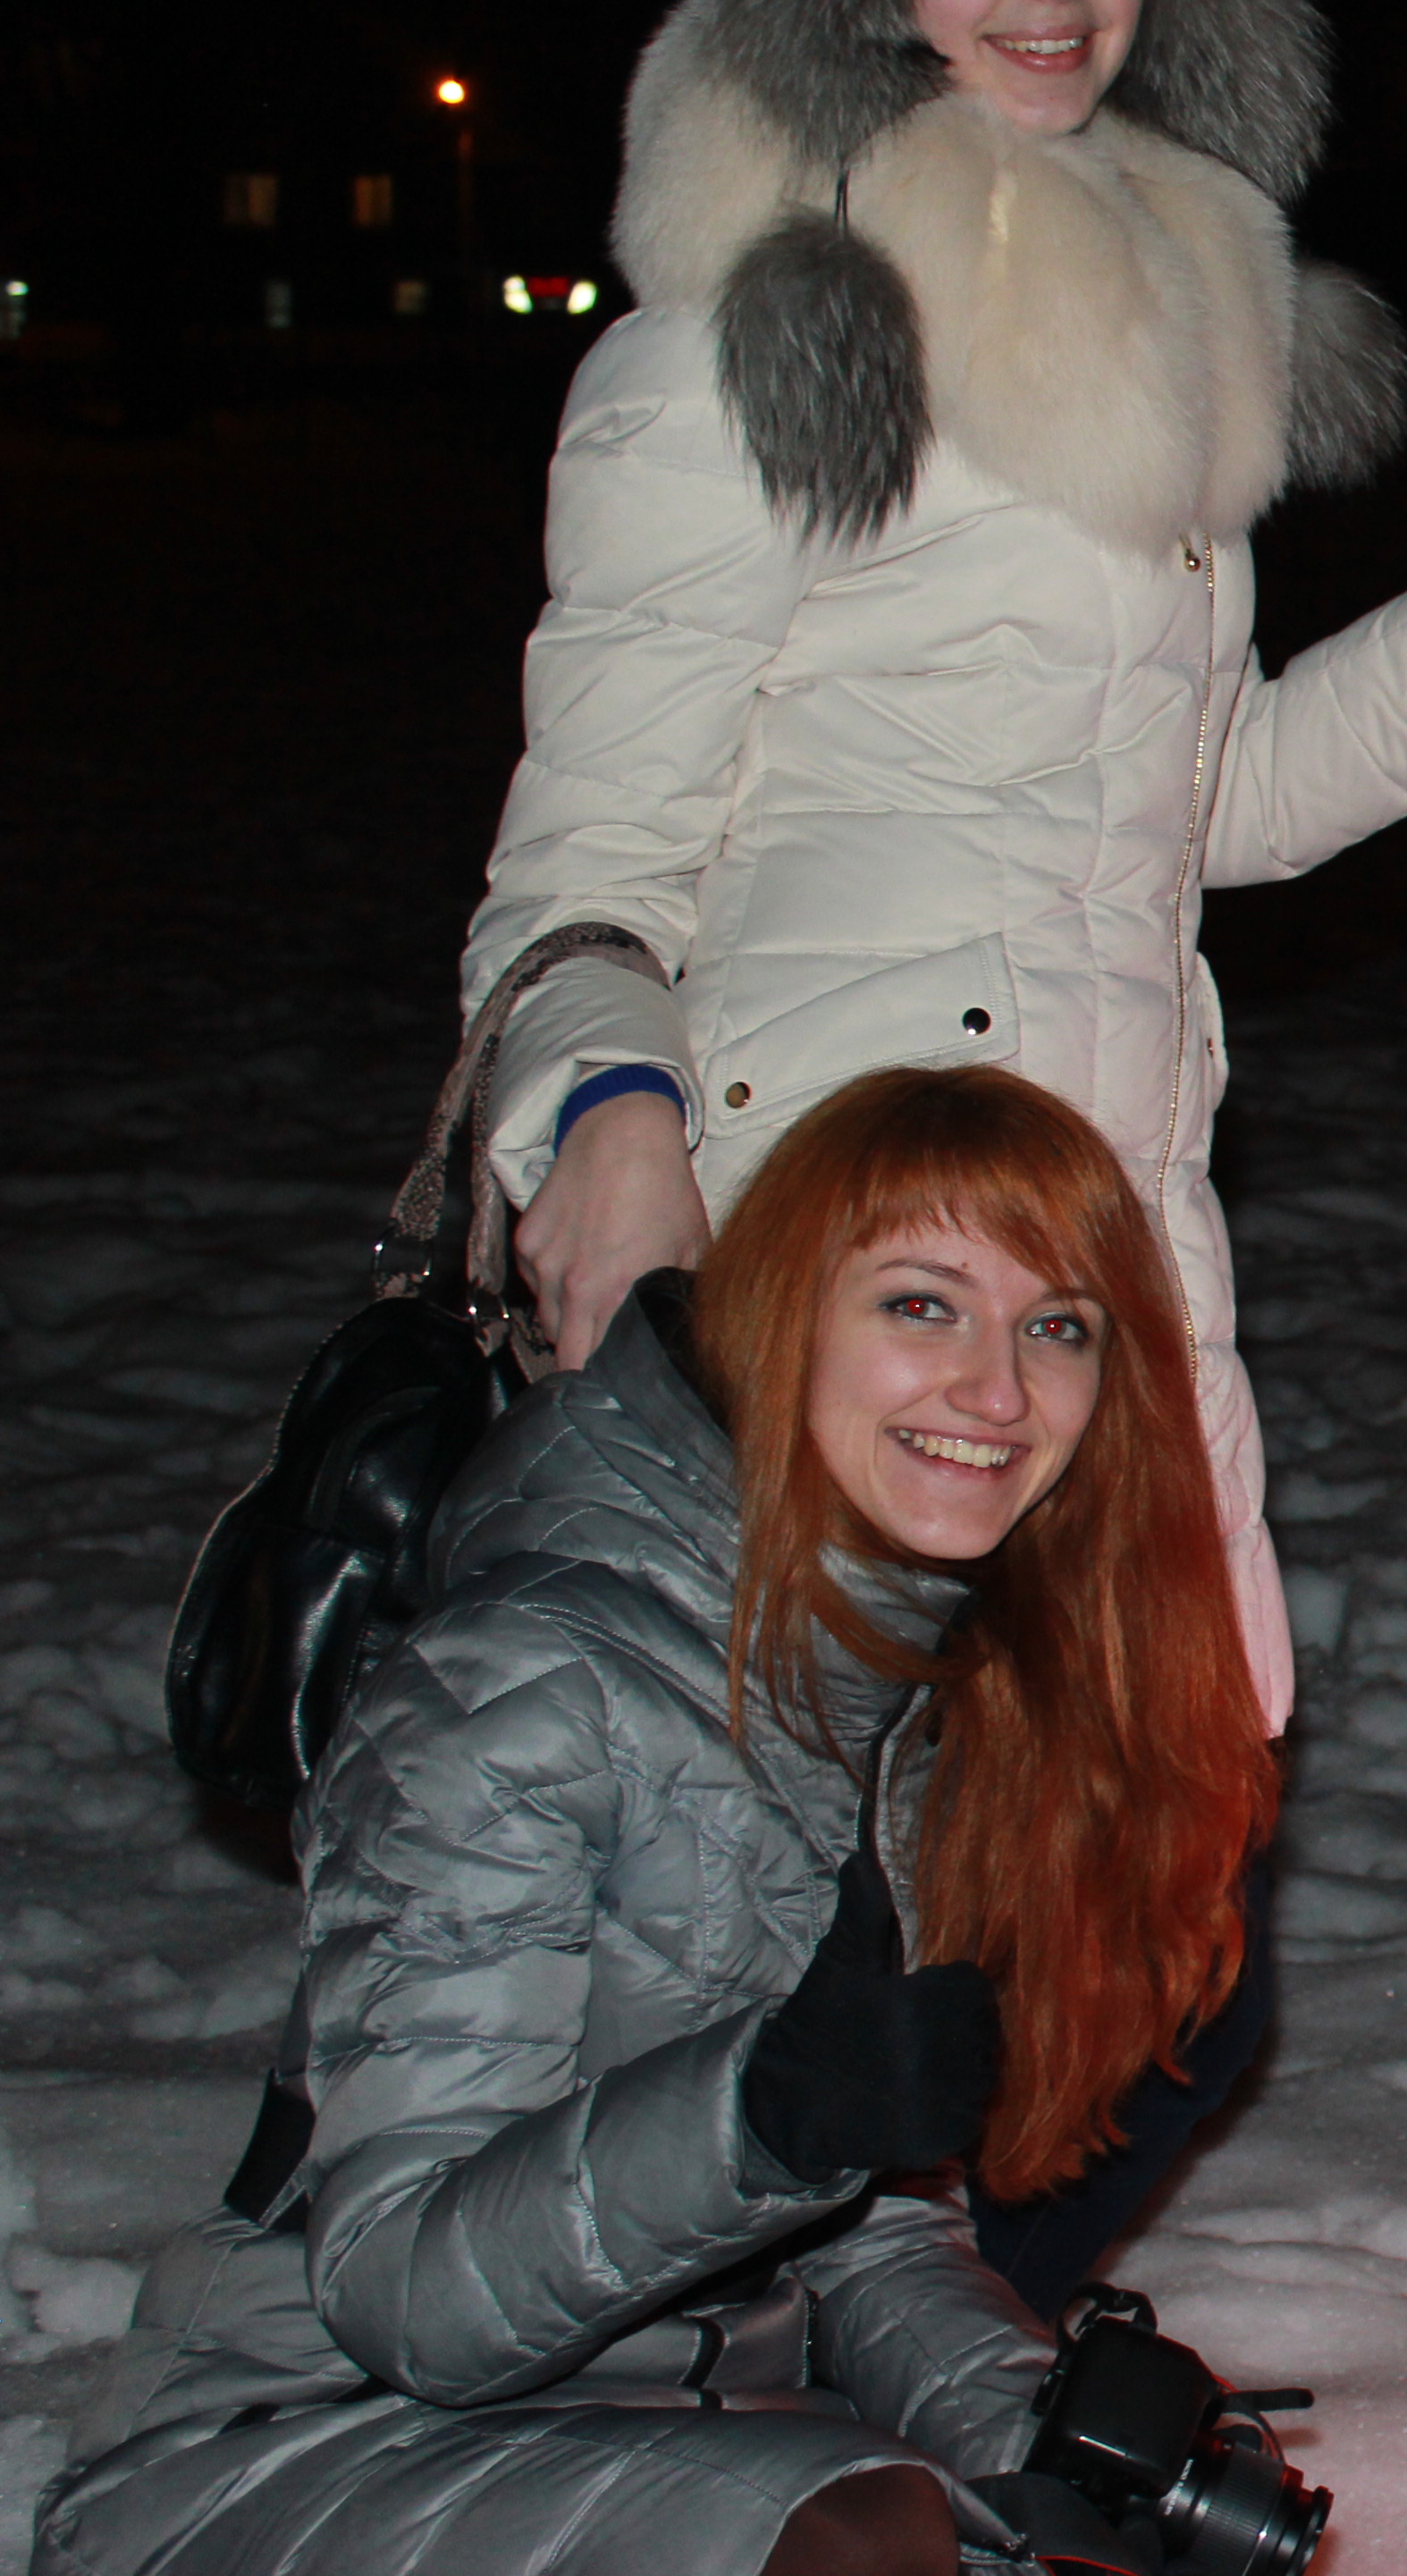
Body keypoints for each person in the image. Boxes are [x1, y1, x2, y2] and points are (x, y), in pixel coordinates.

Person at [457, 0, 1407, 2301]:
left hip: (1110, 1243)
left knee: (1161, 1958)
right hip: (831, 1263)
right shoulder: (770, 337)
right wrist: (603, 1131)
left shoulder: (1165, 340)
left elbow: (1203, 807)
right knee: (846, 1965)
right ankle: (794, 2398)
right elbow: (583, 857)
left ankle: (905, 2374)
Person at [45, 1068, 1276, 2576]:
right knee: (858, 2534)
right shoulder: (523, 1687)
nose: (999, 1392)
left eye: (1058, 1327)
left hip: (692, 2445)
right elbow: (404, 2292)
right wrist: (758, 2120)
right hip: (306, 2448)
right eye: (923, 1305)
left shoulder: (921, 1700)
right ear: (781, 1318)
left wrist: (1050, 2432)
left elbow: (872, 2236)